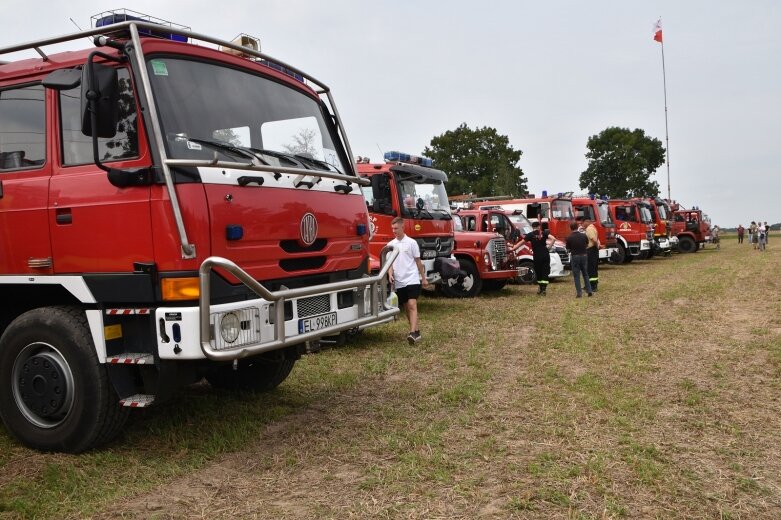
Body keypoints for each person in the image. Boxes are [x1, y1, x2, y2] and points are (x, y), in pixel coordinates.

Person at [387, 216, 431, 344]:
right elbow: (389, 264)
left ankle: (412, 333)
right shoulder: (391, 245)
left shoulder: (411, 243)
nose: (394, 231)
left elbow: (418, 261)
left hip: (412, 278)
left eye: (396, 228)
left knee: (412, 304)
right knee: (406, 307)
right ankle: (416, 330)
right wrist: (390, 274)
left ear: (402, 227)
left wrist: (423, 278)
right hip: (399, 281)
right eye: (392, 228)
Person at [512, 221, 551, 295]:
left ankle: (541, 289)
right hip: (546, 255)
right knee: (545, 272)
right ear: (539, 226)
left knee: (539, 272)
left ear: (532, 227)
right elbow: (553, 239)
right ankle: (544, 289)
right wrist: (549, 247)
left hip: (537, 256)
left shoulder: (530, 235)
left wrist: (513, 248)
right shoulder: (543, 233)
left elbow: (521, 243)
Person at [565, 222, 593, 298]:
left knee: (576, 276)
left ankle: (579, 293)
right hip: (584, 255)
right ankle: (589, 290)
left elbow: (568, 249)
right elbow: (587, 245)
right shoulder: (583, 236)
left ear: (570, 228)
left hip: (575, 257)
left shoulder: (569, 237)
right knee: (585, 274)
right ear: (577, 227)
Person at [583, 217, 600, 291]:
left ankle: (592, 286)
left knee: (590, 268)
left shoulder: (589, 229)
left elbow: (594, 239)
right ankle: (591, 284)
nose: (582, 225)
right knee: (593, 268)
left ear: (586, 222)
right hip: (593, 250)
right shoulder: (593, 228)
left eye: (583, 223)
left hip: (591, 250)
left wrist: (597, 246)